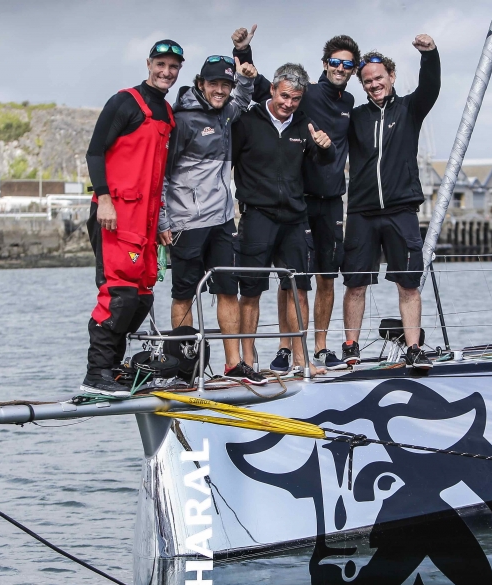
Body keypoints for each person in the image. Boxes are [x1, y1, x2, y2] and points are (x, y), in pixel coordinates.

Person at [232, 27, 360, 373]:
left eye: (347, 64)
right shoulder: (262, 114)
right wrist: (242, 50)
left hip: (315, 206)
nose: (288, 103)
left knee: (315, 281)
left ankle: (312, 354)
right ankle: (259, 358)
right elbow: (253, 80)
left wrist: (326, 147)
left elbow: (327, 156)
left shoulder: (341, 106)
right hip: (274, 207)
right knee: (267, 285)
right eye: (335, 62)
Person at [158, 52, 268, 386]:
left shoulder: (225, 113)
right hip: (186, 222)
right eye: (214, 84)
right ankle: (182, 367)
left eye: (225, 83)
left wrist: (246, 77)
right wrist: (163, 220)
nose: (220, 90)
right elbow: (161, 174)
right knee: (184, 294)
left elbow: (241, 98)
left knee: (227, 291)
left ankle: (234, 364)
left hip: (222, 220)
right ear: (201, 84)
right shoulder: (183, 119)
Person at [81, 39, 183, 397]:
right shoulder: (124, 102)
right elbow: (95, 152)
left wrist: (160, 226)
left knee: (141, 297)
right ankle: (96, 373)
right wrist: (104, 199)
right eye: (160, 64)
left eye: (173, 67)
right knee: (118, 295)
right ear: (149, 64)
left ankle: (114, 370)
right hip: (115, 215)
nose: (166, 72)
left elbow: (158, 177)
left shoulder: (167, 114)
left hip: (146, 222)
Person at [341, 35, 440, 370]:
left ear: (392, 77)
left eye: (379, 78)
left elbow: (431, 87)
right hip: (361, 213)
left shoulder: (410, 109)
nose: (374, 84)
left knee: (408, 284)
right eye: (367, 81)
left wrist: (430, 55)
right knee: (355, 284)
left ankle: (413, 348)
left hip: (401, 211)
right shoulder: (356, 117)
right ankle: (351, 346)